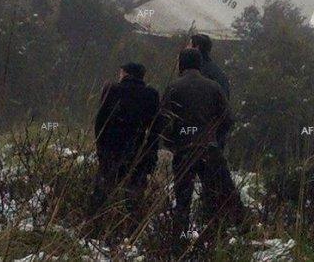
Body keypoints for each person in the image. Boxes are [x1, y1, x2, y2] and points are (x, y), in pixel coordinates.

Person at [161, 49, 245, 240]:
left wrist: (173, 143)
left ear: (182, 64)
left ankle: (179, 240)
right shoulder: (214, 87)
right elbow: (228, 119)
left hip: (183, 151)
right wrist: (214, 136)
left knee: (183, 200)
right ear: (199, 64)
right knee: (218, 194)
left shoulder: (173, 87)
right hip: (209, 149)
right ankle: (220, 236)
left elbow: (164, 121)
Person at [89, 62, 161, 218]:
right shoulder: (151, 95)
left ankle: (95, 223)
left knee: (102, 191)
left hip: (111, 149)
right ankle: (129, 228)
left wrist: (101, 148)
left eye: (120, 73)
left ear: (126, 74)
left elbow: (100, 123)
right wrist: (150, 155)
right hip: (138, 152)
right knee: (133, 196)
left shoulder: (112, 90)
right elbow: (156, 129)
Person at [189, 33, 230, 99]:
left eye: (189, 45)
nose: (185, 48)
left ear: (196, 47)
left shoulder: (199, 72)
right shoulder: (218, 72)